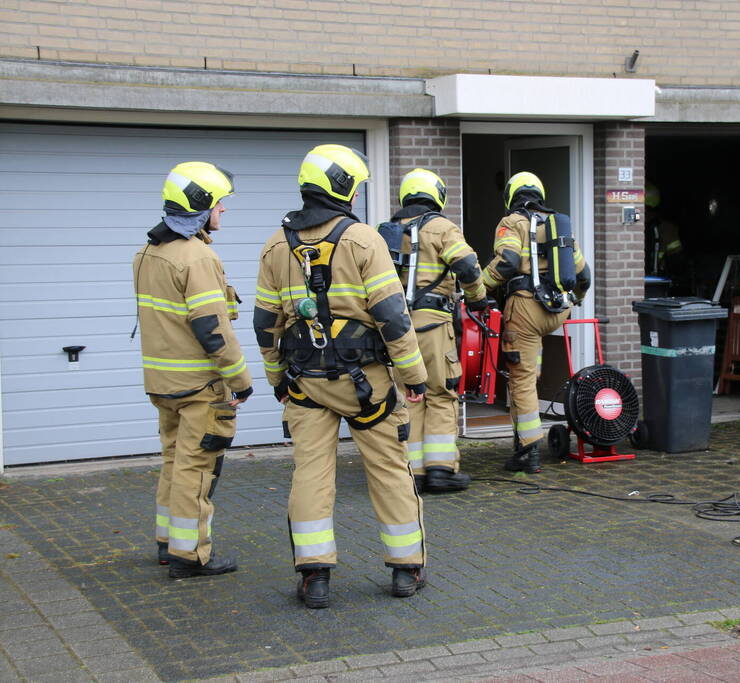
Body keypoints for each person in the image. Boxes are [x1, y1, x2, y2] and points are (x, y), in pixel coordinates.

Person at [253, 144, 428, 609]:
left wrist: (276, 378)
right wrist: (413, 375)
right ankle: (406, 570)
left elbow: (264, 325)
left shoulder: (275, 245)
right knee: (390, 469)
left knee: (311, 474)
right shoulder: (364, 240)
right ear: (344, 187)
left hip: (305, 383)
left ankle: (315, 579)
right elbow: (393, 317)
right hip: (366, 385)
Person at [132, 161, 252, 578]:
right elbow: (213, 329)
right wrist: (241, 380)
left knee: (173, 461)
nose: (224, 210)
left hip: (162, 384)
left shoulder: (149, 252)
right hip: (200, 387)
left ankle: (169, 543)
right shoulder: (197, 256)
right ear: (201, 204)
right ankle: (191, 555)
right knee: (196, 469)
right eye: (220, 203)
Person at [481, 171, 591, 474]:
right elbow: (584, 276)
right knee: (531, 363)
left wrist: (477, 288)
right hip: (558, 309)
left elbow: (506, 263)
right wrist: (575, 299)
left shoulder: (511, 222)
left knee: (521, 378)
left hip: (526, 308)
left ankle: (528, 451)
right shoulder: (558, 225)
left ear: (511, 196)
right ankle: (526, 440)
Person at [388, 168, 489, 494]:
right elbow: (468, 266)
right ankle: (442, 471)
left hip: (397, 329)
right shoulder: (442, 227)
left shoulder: (387, 231)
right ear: (437, 195)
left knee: (410, 396)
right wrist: (478, 300)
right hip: (433, 325)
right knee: (442, 394)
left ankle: (413, 473)